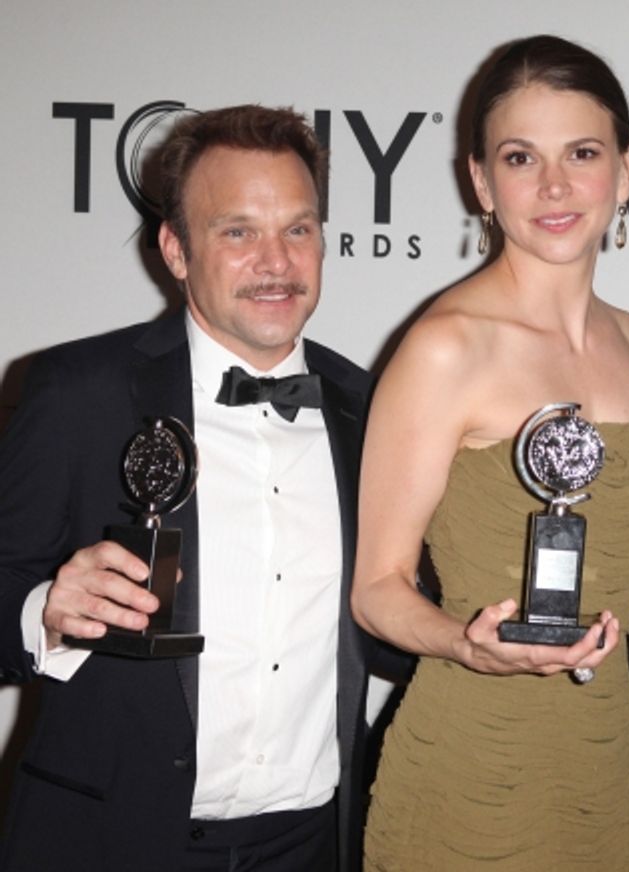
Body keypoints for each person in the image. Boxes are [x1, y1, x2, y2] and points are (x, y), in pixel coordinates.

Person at [0, 105, 399, 871]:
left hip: (310, 847)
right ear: (176, 250)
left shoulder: (372, 409)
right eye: (238, 232)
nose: (276, 262)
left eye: (298, 228)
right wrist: (43, 609)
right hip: (105, 843)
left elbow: (390, 620)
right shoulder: (78, 392)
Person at [351, 34, 629, 871]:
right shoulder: (446, 347)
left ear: (627, 169)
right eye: (521, 158)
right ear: (481, 182)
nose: (554, 186)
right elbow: (377, 590)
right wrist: (466, 643)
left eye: (583, 153)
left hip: (606, 757)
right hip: (473, 766)